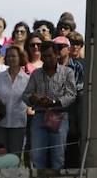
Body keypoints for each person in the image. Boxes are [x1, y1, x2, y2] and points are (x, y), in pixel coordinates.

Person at [23, 42, 76, 170]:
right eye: (44, 56)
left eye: (50, 56)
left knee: (58, 156)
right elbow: (25, 95)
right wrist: (33, 98)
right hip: (40, 116)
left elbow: (71, 95)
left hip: (59, 115)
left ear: (57, 55)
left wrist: (53, 102)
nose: (47, 59)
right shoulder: (36, 73)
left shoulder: (67, 72)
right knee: (36, 155)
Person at [0, 45, 29, 156]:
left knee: (15, 157)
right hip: (0, 122)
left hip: (18, 123)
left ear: (20, 57)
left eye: (13, 56)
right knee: (1, 157)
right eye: (8, 56)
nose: (11, 58)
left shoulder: (27, 79)